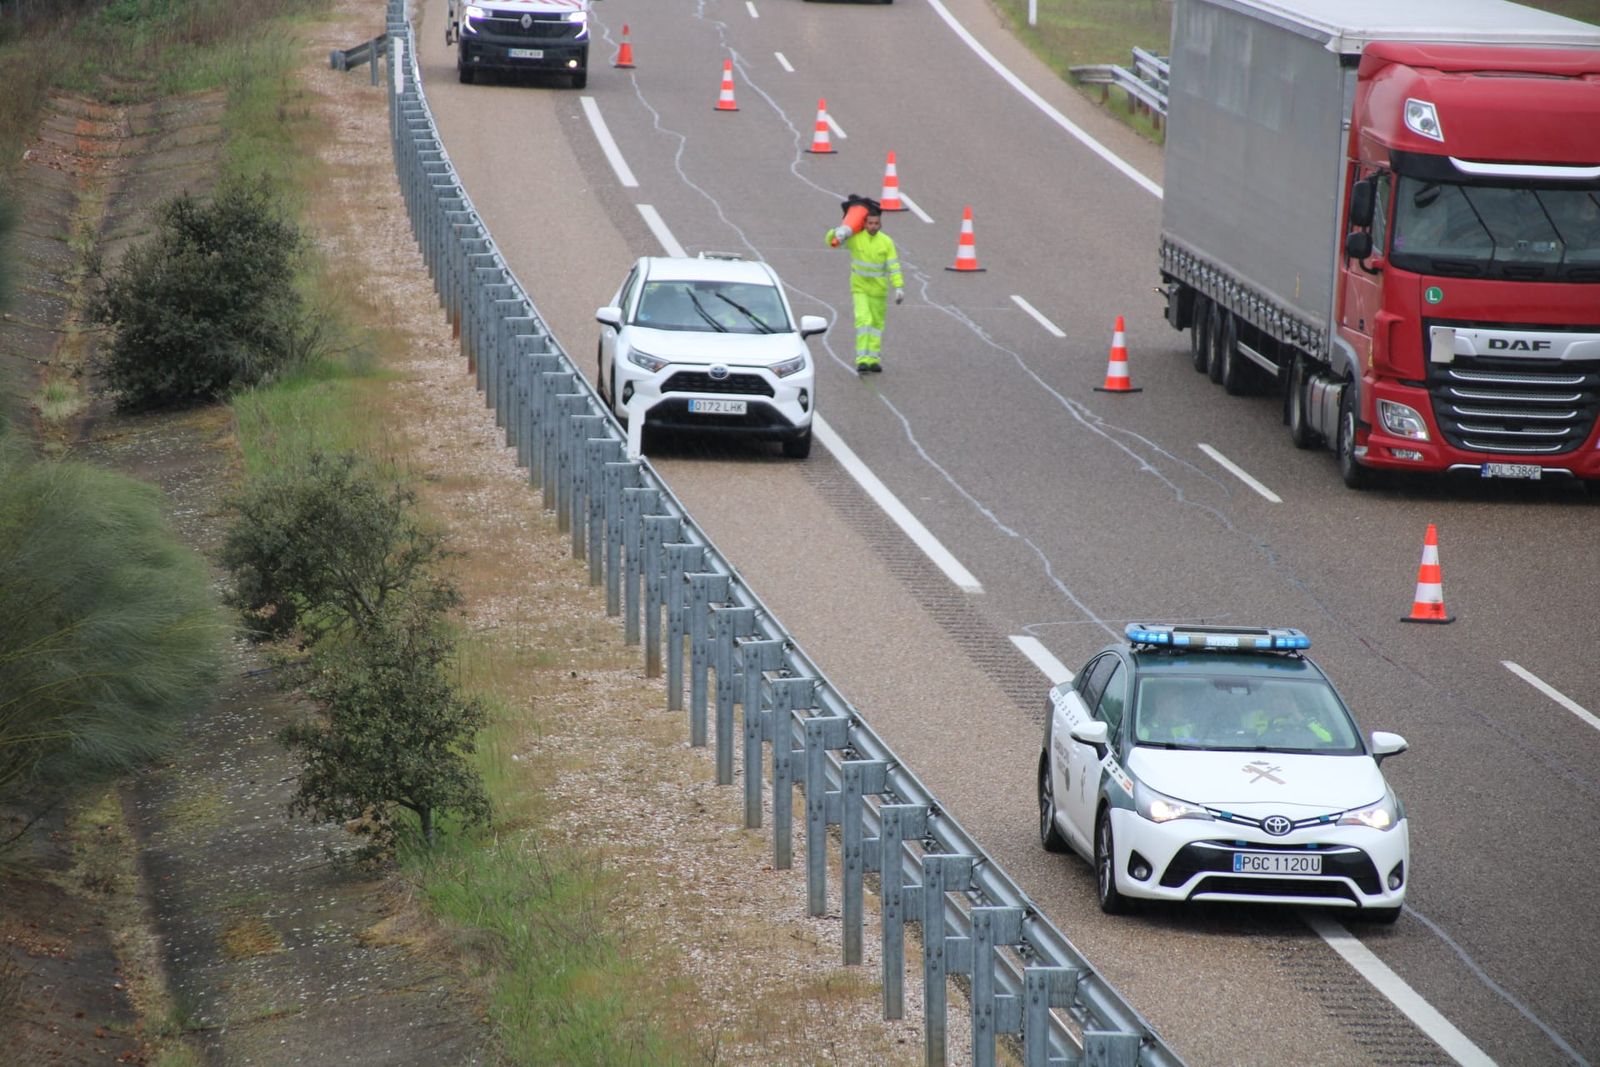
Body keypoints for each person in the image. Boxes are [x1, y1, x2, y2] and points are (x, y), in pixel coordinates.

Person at [825, 194, 903, 374]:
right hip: (860, 289)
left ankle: (873, 359)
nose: (873, 226)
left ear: (880, 224)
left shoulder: (886, 242)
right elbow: (832, 242)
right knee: (863, 320)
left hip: (879, 291)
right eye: (870, 223)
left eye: (876, 223)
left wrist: (899, 287)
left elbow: (894, 266)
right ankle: (862, 359)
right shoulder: (856, 238)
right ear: (864, 224)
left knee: (876, 324)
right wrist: (836, 231)